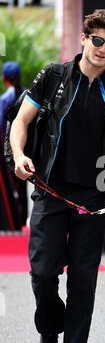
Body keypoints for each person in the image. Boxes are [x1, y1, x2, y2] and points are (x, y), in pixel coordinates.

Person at [10, 9, 105, 343]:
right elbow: (21, 121)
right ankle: (49, 331)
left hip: (95, 196)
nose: (102, 49)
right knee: (43, 273)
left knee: (84, 279)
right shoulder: (53, 76)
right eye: (97, 40)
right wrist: (19, 156)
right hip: (50, 189)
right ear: (83, 38)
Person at [0, 61, 28, 226]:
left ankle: (13, 221)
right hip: (27, 153)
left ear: (5, 79)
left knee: (10, 188)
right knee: (23, 188)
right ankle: (23, 219)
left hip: (7, 153)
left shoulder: (3, 100)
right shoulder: (29, 96)